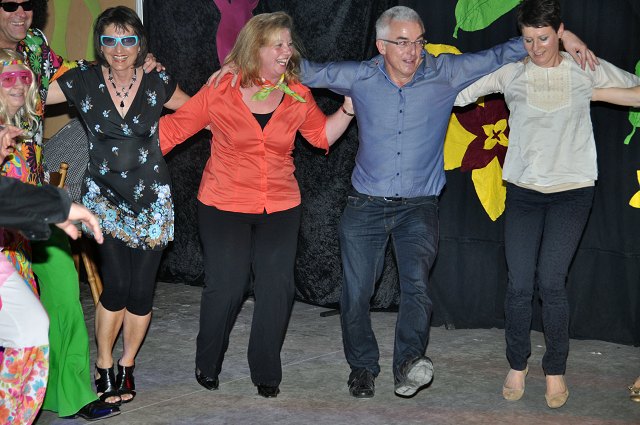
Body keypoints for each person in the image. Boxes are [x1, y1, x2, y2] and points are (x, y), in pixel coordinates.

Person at [270, 5, 593, 399]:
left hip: (419, 206)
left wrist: (564, 36)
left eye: (419, 42)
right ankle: (362, 367)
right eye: (403, 42)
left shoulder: (445, 72)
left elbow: (499, 54)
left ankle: (408, 364)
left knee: (417, 288)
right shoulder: (360, 77)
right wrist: (244, 62)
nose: (413, 51)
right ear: (381, 46)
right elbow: (304, 71)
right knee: (356, 293)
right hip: (365, 204)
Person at [453, 0, 640, 409]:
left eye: (544, 37)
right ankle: (516, 364)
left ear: (559, 32)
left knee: (552, 283)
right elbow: (458, 93)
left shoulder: (583, 68)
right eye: (527, 39)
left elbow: (638, 93)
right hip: (523, 193)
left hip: (572, 192)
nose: (536, 48)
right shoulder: (511, 73)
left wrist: (595, 90)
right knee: (519, 284)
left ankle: (555, 369)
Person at [159, 11, 354, 398]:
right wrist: (126, 160)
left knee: (277, 288)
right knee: (227, 287)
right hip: (224, 202)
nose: (286, 51)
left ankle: (266, 370)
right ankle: (207, 361)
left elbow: (319, 136)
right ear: (255, 49)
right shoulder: (222, 89)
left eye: (289, 44)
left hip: (279, 204)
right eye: (277, 44)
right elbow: (174, 130)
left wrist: (348, 109)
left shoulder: (297, 93)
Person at [0, 0, 161, 420]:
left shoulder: (35, 45)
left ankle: (69, 394)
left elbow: (78, 70)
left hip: (34, 196)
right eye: (8, 4)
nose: (20, 13)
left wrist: (129, 65)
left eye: (27, 5)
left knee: (64, 294)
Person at [45, 4, 189, 408]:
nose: (119, 49)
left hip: (153, 201)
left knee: (141, 292)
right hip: (103, 201)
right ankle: (104, 362)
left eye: (128, 40)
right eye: (110, 40)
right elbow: (28, 96)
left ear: (140, 43)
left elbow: (200, 112)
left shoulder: (158, 80)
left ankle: (127, 364)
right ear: (100, 44)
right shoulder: (83, 79)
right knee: (118, 286)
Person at [0, 126, 105, 425]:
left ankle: (72, 392)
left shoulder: (37, 101)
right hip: (10, 219)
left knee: (64, 298)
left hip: (37, 213)